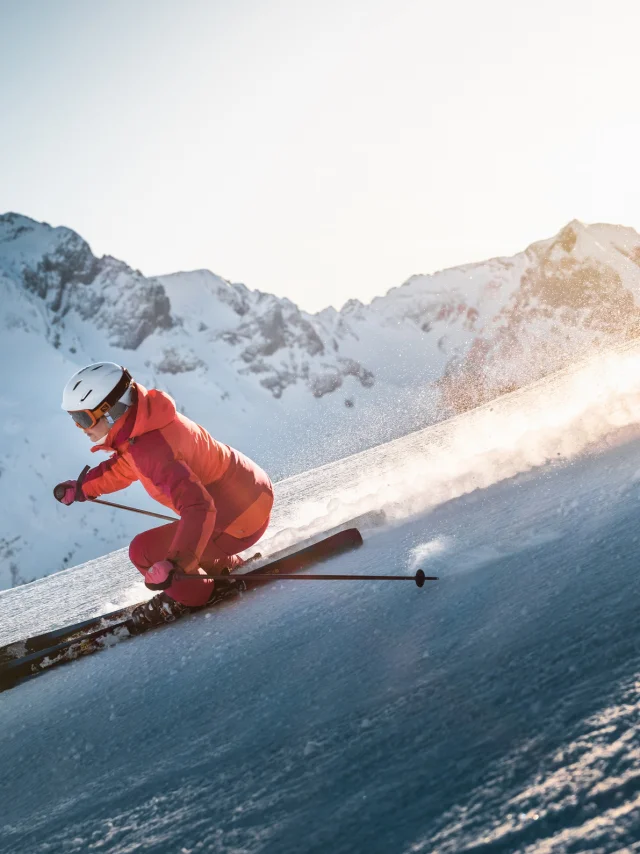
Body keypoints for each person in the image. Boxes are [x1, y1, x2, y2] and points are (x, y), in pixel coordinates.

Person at [55, 362, 274, 628]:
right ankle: (223, 565)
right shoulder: (143, 426)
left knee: (143, 552)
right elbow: (126, 466)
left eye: (83, 419)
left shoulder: (151, 448)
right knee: (180, 536)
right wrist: (83, 488)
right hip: (249, 492)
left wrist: (177, 566)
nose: (80, 428)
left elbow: (198, 506)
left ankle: (193, 594)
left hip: (238, 516)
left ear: (110, 411)